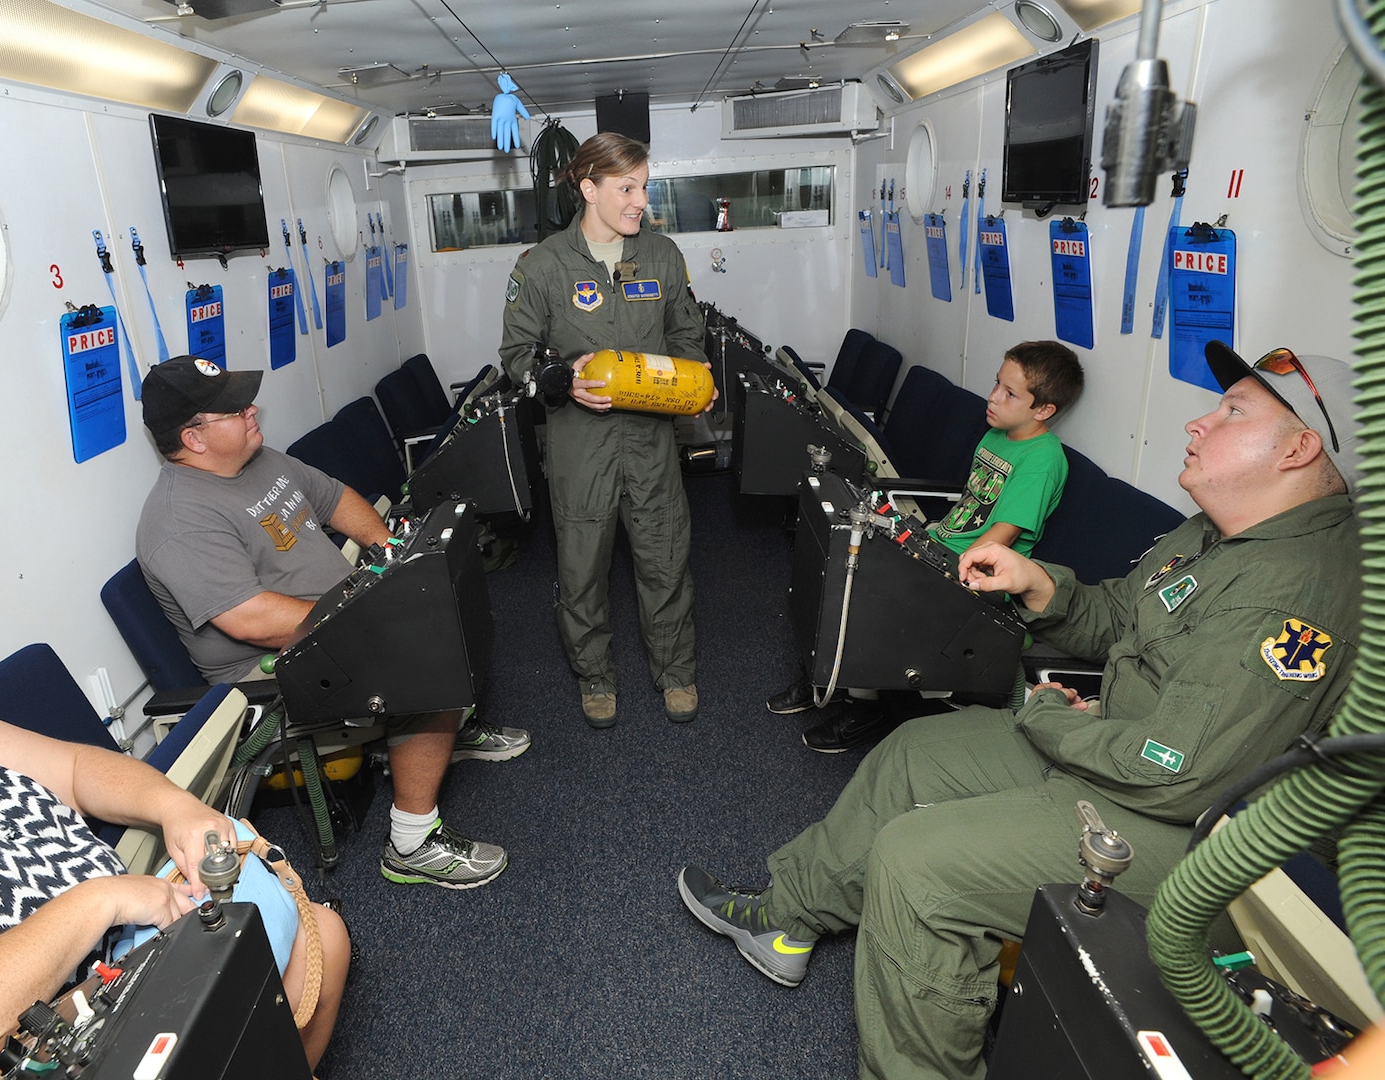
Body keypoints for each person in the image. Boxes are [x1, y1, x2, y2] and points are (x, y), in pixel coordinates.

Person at [678, 341, 1362, 1080]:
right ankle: (789, 918)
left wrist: (1047, 717)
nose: (1200, 421)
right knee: (915, 753)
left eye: (1232, 411)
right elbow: (1120, 618)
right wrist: (1039, 585)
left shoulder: (1293, 594)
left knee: (919, 868)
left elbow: (1177, 775)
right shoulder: (1218, 528)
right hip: (1116, 746)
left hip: (1198, 839)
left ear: (1298, 449)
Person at [0, 543, 350, 1079]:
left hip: (134, 946)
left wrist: (175, 808)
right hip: (55, 1038)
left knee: (326, 934)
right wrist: (98, 902)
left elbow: (76, 770)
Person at [135, 355, 524, 889]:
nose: (251, 410)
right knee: (419, 643)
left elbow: (336, 498)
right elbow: (252, 620)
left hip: (332, 614)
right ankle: (411, 841)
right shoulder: (179, 521)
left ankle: (446, 730)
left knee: (436, 585)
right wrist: (370, 617)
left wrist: (389, 551)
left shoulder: (260, 460)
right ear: (194, 438)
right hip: (268, 667)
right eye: (232, 409)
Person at [768, 341, 1085, 753]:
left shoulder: (1042, 459)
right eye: (996, 384)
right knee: (846, 560)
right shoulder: (996, 435)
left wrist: (942, 570)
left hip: (978, 574)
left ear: (1043, 410)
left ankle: (867, 707)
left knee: (873, 590)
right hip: (941, 544)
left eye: (1010, 393)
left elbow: (1002, 536)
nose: (993, 397)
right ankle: (824, 676)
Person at [499, 131, 711, 728]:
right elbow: (516, 355)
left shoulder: (663, 256)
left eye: (644, 185)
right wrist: (559, 380)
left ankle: (675, 672)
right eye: (627, 187)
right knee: (582, 569)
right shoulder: (541, 266)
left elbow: (686, 335)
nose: (641, 199)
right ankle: (595, 677)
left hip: (650, 441)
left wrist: (690, 379)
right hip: (579, 445)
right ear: (588, 188)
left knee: (665, 559)